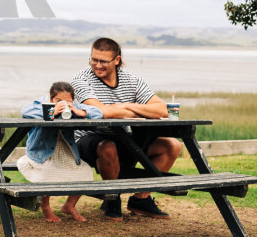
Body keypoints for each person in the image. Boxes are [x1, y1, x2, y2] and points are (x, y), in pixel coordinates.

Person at [72, 37, 182, 221]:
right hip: (88, 138)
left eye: (103, 61)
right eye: (94, 59)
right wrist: (141, 111)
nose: (97, 65)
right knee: (107, 147)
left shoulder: (132, 79)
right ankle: (112, 198)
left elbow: (163, 109)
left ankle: (140, 199)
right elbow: (102, 112)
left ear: (116, 60)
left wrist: (126, 106)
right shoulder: (81, 79)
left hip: (124, 136)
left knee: (172, 146)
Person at [16, 81, 102, 222]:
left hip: (65, 151)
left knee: (85, 172)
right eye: (58, 100)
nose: (63, 103)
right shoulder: (41, 104)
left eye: (67, 100)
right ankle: (45, 207)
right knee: (47, 174)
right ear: (50, 98)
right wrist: (52, 111)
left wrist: (80, 112)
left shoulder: (74, 105)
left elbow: (98, 113)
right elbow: (25, 111)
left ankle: (69, 205)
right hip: (42, 153)